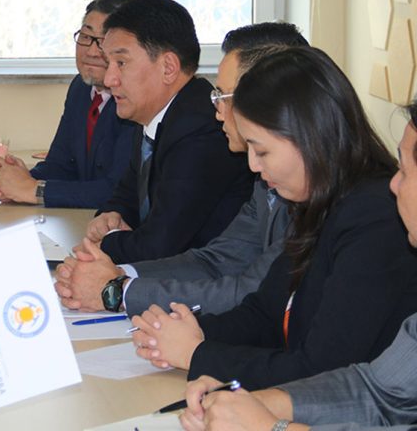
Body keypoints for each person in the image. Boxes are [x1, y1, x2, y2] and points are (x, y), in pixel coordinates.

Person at [131, 46, 417, 392]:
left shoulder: (375, 219)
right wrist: (188, 331)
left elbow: (321, 369)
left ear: (310, 138)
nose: (253, 164)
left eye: (262, 150)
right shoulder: (320, 200)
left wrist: (197, 354)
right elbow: (265, 313)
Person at [180, 101, 417, 431]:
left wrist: (271, 427)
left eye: (404, 171)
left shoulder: (373, 215)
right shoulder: (324, 206)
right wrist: (256, 402)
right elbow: (378, 392)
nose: (393, 184)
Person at [55, 22, 308, 315]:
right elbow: (216, 261)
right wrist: (117, 275)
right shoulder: (265, 181)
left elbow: (252, 290)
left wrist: (117, 291)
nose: (216, 111)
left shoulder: (315, 187)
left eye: (223, 97)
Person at [76, 0, 253, 269]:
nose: (109, 79)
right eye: (108, 64)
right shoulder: (154, 113)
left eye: (121, 63)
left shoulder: (202, 129)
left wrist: (104, 242)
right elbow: (125, 194)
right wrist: (109, 216)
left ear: (168, 68)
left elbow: (159, 246)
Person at [0, 0, 135, 208]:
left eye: (104, 41)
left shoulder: (134, 99)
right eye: (86, 36)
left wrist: (32, 189)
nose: (91, 51)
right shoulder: (80, 88)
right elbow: (61, 165)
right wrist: (14, 180)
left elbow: (118, 190)